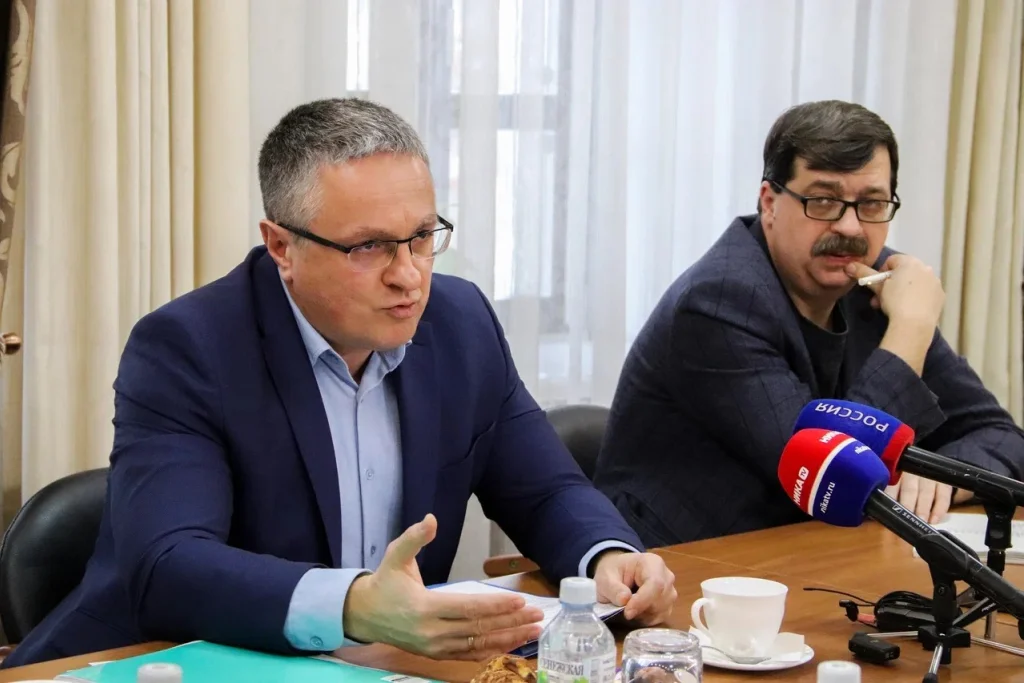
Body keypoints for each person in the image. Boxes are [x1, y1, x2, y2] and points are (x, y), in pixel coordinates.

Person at [4, 98, 676, 668]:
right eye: (369, 247)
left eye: (421, 237)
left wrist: (607, 557)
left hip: (376, 669)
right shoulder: (189, 349)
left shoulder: (461, 324)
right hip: (156, 662)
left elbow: (546, 489)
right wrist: (355, 605)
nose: (408, 275)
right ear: (281, 246)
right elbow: (170, 564)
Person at [594, 99, 1024, 548]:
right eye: (823, 201)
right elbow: (831, 475)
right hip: (682, 563)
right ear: (769, 203)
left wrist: (945, 478)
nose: (851, 228)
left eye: (871, 204)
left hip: (810, 553)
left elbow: (1002, 435)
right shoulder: (718, 302)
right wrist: (911, 328)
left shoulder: (879, 288)